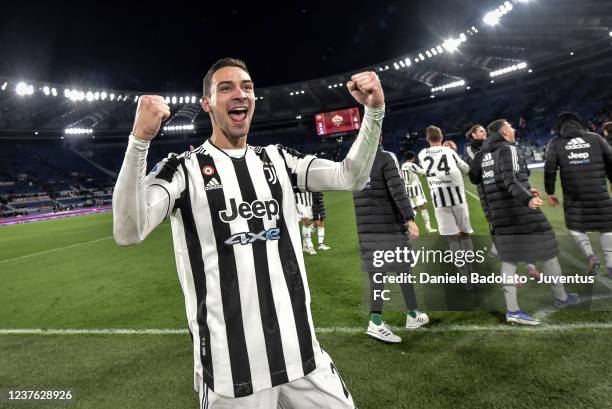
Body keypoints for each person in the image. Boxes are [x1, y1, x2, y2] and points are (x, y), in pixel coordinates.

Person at [112, 57, 386, 408]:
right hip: (233, 374)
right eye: (225, 88)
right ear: (207, 104)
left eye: (247, 87)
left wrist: (374, 112)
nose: (239, 94)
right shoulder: (182, 169)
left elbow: (351, 177)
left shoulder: (278, 159)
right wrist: (139, 141)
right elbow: (128, 231)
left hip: (302, 354)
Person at [473, 119, 579, 326]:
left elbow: (486, 187)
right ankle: (562, 297)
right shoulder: (507, 148)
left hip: (500, 215)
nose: (513, 129)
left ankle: (512, 311)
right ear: (504, 132)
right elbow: (509, 178)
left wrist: (525, 191)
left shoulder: (483, 156)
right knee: (548, 249)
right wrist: (527, 198)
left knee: (509, 260)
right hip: (520, 213)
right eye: (511, 127)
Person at [353, 144, 426, 343]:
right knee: (403, 268)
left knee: (377, 273)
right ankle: (412, 314)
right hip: (388, 226)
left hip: (366, 227)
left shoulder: (355, 162)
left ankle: (377, 320)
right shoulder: (385, 157)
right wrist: (409, 218)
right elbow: (397, 190)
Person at [467, 124, 540, 283]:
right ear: (472, 135)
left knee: (524, 226)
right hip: (489, 192)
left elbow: (519, 171)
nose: (484, 133)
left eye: (485, 131)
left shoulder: (501, 148)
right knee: (499, 229)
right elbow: (475, 173)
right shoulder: (473, 150)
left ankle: (530, 264)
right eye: (480, 131)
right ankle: (511, 273)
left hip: (506, 189)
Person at [544, 112, 612, 278]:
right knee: (608, 228)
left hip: (574, 195)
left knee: (576, 227)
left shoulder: (555, 143)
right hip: (599, 192)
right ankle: (611, 265)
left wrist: (550, 192)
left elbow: (549, 169)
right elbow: (611, 159)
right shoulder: (595, 138)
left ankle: (591, 256)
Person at [418, 126, 474, 281]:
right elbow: (466, 169)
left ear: (427, 139)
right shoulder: (449, 152)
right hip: (458, 198)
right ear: (441, 136)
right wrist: (453, 151)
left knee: (452, 237)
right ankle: (470, 270)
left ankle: (463, 275)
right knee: (465, 234)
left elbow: (427, 168)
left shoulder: (422, 154)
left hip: (439, 201)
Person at [400, 151, 436, 233]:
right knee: (423, 206)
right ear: (412, 158)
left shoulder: (403, 165)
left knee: (414, 208)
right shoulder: (412, 165)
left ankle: (406, 225)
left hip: (408, 189)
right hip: (415, 189)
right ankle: (428, 228)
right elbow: (422, 171)